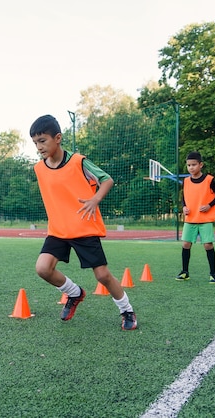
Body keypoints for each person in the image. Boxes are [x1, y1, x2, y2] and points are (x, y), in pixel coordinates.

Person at [30, 114, 137, 330]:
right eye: (35, 143)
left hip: (83, 226)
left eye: (43, 141)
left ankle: (127, 310)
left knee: (103, 276)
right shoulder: (39, 168)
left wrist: (95, 199)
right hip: (58, 230)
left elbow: (107, 179)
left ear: (57, 138)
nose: (39, 147)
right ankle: (74, 293)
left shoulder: (79, 162)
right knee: (43, 268)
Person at [175, 151, 215, 283]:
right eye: (189, 165)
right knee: (186, 244)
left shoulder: (209, 180)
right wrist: (184, 206)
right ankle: (185, 272)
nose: (191, 167)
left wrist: (209, 205)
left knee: (208, 245)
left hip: (204, 219)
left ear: (201, 165)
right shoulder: (186, 181)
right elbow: (184, 197)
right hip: (190, 219)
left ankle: (213, 274)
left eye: (194, 165)